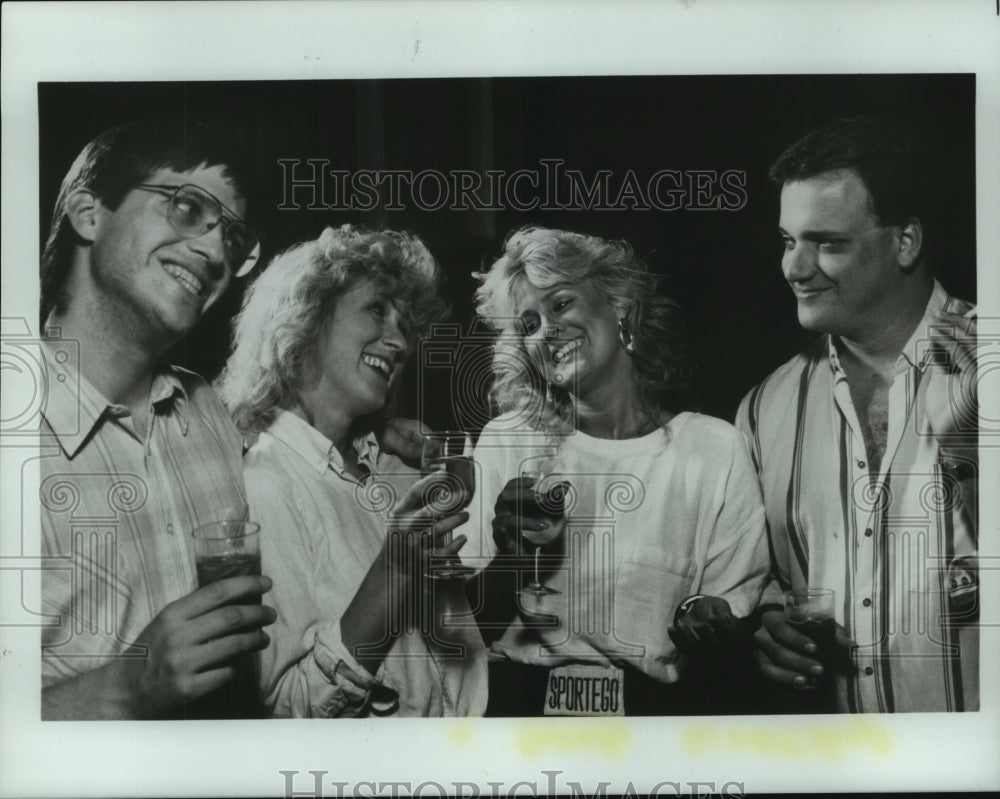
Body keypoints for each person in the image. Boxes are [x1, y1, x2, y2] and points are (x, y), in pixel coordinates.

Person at [464, 226, 770, 716]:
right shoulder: (508, 440)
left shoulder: (715, 450)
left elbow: (734, 627)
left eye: (560, 304)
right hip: (517, 720)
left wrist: (709, 622)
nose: (546, 332)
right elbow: (464, 627)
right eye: (528, 325)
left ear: (621, 305)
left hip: (657, 731)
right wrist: (512, 559)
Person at [739, 116, 979, 712]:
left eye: (827, 242)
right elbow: (760, 578)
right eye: (788, 240)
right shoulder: (763, 409)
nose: (795, 268)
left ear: (906, 242)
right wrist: (768, 624)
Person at [38, 120, 276, 719]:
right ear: (87, 213)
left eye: (233, 237)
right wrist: (125, 690)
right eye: (187, 208)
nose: (213, 251)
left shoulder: (208, 413)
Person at [216, 224, 488, 717]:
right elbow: (289, 711)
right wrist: (397, 570)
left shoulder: (391, 467)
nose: (400, 342)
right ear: (305, 318)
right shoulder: (267, 484)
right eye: (377, 310)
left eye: (406, 326)